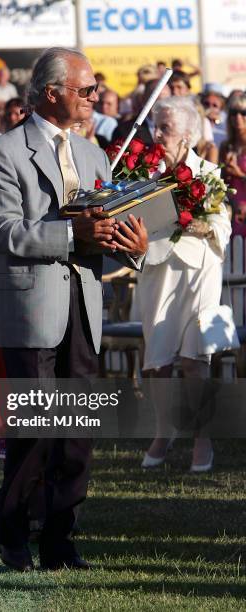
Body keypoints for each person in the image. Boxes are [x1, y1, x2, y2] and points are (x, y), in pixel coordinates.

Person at [0, 47, 148, 572]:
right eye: (86, 90)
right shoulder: (2, 153)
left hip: (84, 309)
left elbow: (106, 231)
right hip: (29, 310)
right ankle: (14, 534)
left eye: (95, 90)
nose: (95, 98)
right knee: (34, 433)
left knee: (76, 436)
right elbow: (3, 232)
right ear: (52, 93)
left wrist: (134, 246)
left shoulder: (95, 156)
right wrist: (71, 232)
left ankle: (60, 538)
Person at [137, 97, 231, 472]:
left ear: (189, 136)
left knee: (195, 361)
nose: (157, 135)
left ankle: (202, 438)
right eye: (155, 126)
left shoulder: (208, 173)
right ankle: (164, 430)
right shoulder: (143, 175)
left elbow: (221, 226)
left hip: (199, 271)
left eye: (166, 129)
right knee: (158, 365)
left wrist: (201, 224)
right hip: (158, 270)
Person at [219, 94, 246, 224]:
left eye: (243, 112)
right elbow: (220, 183)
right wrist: (226, 170)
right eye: (234, 113)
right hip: (231, 209)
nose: (238, 117)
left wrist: (239, 174)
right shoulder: (226, 146)